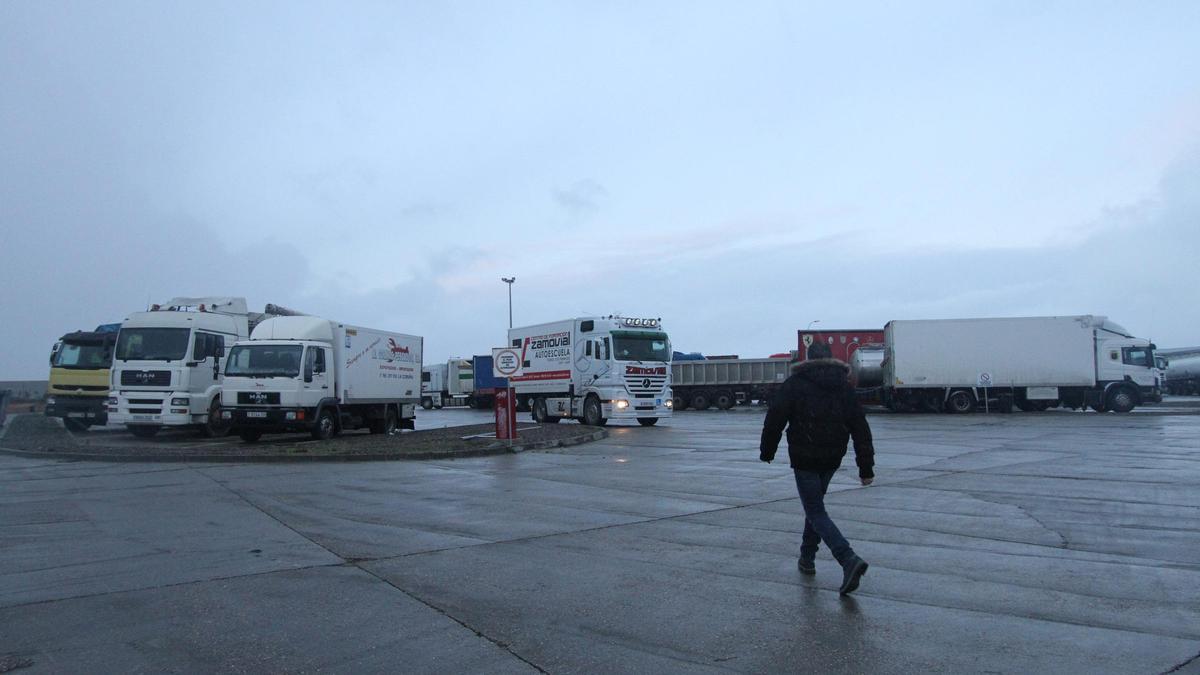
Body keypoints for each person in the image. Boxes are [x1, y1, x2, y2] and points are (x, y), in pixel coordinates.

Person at [759, 342, 875, 595]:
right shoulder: (843, 387)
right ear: (830, 358)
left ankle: (847, 558)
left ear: (809, 358)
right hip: (832, 457)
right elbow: (860, 427)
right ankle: (806, 558)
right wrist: (866, 468)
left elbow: (775, 418)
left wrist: (767, 451)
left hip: (804, 457)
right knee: (815, 508)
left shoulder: (796, 384)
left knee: (815, 510)